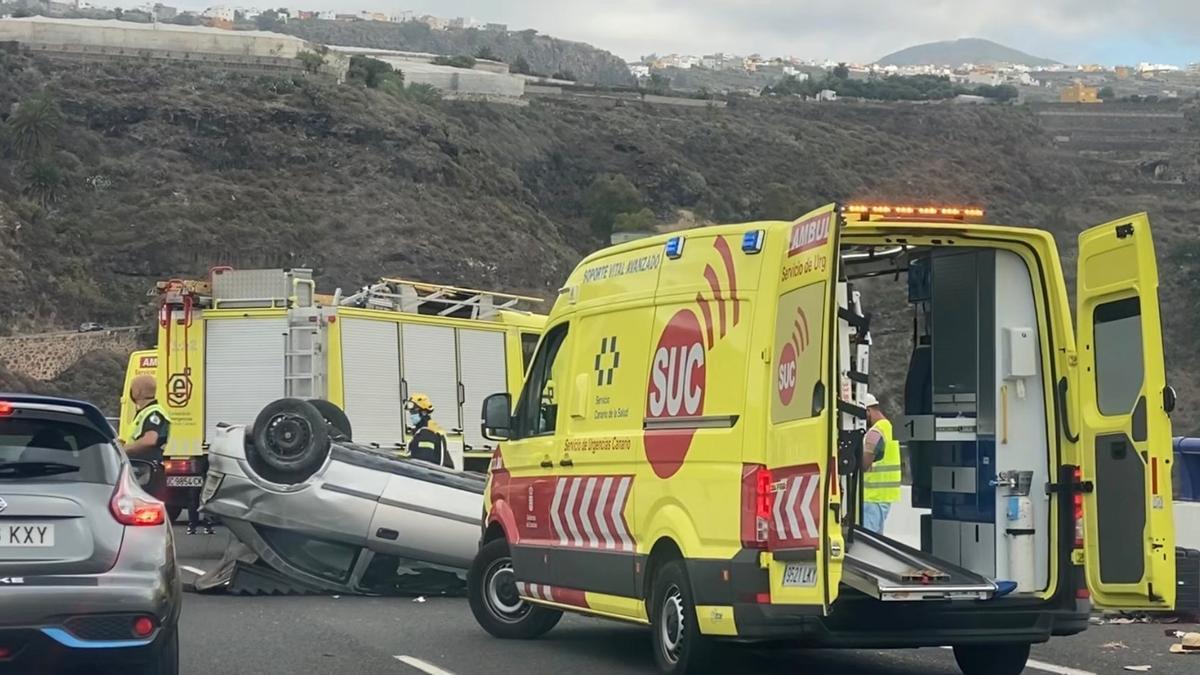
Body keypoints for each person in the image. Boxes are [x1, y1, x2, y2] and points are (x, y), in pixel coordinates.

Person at [123, 374, 212, 535]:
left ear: (138, 391)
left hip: (147, 471)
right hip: (142, 469)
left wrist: (124, 449)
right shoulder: (145, 412)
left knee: (144, 509)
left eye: (133, 387)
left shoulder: (154, 413)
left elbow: (150, 439)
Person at [860, 393, 901, 534]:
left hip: (872, 499)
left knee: (864, 544)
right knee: (873, 545)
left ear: (868, 411)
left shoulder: (877, 430)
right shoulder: (889, 428)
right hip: (881, 499)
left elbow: (865, 462)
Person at [405, 394, 454, 470]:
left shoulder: (426, 435)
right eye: (411, 413)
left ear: (423, 412)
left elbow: (422, 464)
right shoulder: (429, 431)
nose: (411, 416)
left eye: (414, 412)